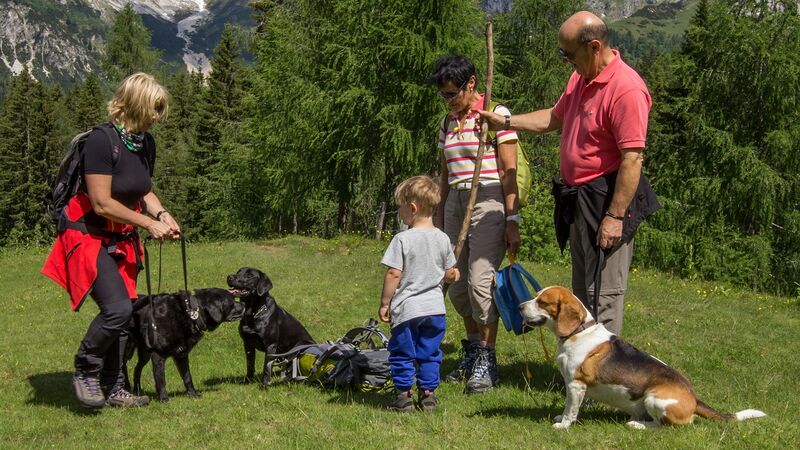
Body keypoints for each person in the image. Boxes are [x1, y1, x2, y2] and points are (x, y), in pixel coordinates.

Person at [479, 11, 659, 336]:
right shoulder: (581, 78)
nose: (565, 61)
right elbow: (553, 117)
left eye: (568, 54)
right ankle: (583, 372)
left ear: (593, 46)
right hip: (578, 200)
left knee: (603, 294)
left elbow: (633, 159)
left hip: (605, 200)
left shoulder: (627, 89)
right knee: (582, 292)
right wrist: (505, 122)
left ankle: (604, 376)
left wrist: (615, 216)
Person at [42, 72, 181, 409]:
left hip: (120, 235)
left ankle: (114, 387)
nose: (156, 118)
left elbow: (142, 188)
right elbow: (102, 202)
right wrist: (148, 224)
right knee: (117, 309)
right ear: (134, 105)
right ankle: (85, 369)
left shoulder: (144, 142)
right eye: (153, 110)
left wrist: (162, 215)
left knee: (125, 312)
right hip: (87, 233)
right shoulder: (101, 142)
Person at [429, 55, 521, 394]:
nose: (448, 101)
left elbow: (509, 174)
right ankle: (471, 351)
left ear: (471, 84)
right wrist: (437, 219)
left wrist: (512, 220)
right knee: (456, 282)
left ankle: (487, 359)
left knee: (481, 282)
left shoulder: (495, 114)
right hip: (454, 201)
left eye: (452, 94)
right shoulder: (447, 122)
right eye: (443, 96)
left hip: (489, 200)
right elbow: (443, 173)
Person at [378, 176, 459, 412]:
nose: (399, 213)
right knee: (430, 352)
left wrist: (385, 303)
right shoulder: (443, 238)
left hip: (407, 310)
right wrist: (453, 275)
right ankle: (428, 394)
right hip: (435, 310)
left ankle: (403, 396)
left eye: (400, 208)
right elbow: (450, 273)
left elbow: (394, 274)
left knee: (402, 352)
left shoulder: (402, 239)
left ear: (412, 208)